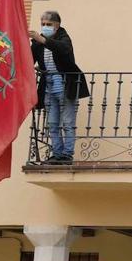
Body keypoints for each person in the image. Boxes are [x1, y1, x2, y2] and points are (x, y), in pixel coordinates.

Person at [29, 11, 89, 164]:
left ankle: (67, 154)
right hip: (48, 86)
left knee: (68, 122)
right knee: (52, 123)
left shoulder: (63, 38)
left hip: (65, 84)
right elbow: (29, 59)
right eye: (43, 24)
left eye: (49, 24)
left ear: (57, 25)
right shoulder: (37, 43)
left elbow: (63, 49)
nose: (45, 27)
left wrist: (42, 39)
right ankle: (57, 153)